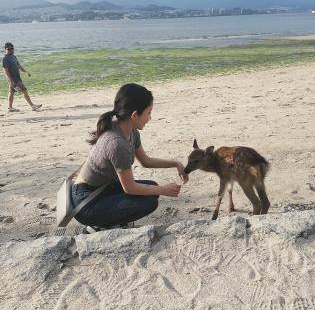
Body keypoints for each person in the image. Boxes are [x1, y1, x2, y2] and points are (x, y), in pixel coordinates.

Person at [71, 83, 189, 231]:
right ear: (134, 115)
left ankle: (111, 218)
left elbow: (146, 161)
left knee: (152, 187)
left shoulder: (130, 130)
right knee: (149, 202)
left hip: (101, 189)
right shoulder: (117, 143)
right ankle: (98, 226)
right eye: (148, 113)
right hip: (86, 203)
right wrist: (163, 190)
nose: (150, 118)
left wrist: (176, 164)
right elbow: (130, 188)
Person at [2, 42, 42, 112]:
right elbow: (6, 71)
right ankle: (32, 106)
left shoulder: (14, 57)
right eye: (9, 49)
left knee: (11, 92)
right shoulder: (5, 59)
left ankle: (10, 107)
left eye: (12, 48)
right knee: (24, 91)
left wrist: (26, 72)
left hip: (16, 78)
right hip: (14, 79)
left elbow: (19, 66)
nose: (11, 50)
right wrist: (11, 81)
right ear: (5, 49)